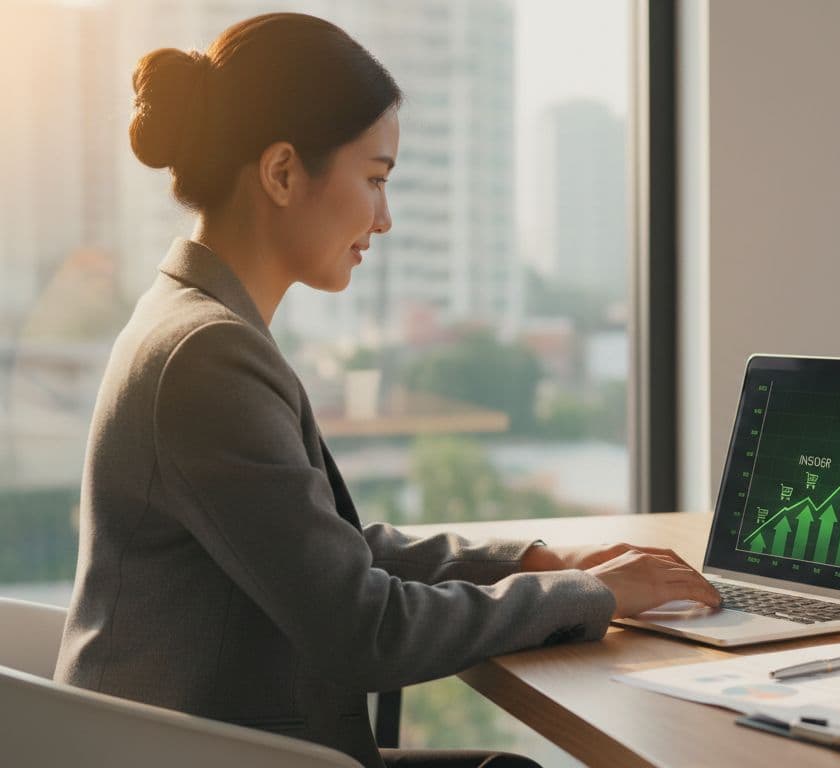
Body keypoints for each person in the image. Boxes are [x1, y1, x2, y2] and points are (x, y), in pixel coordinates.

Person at [52, 12, 720, 768]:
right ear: (280, 172)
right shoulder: (208, 355)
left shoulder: (190, 320)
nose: (386, 217)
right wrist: (591, 596)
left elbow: (326, 551)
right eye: (373, 179)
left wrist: (537, 560)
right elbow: (363, 629)